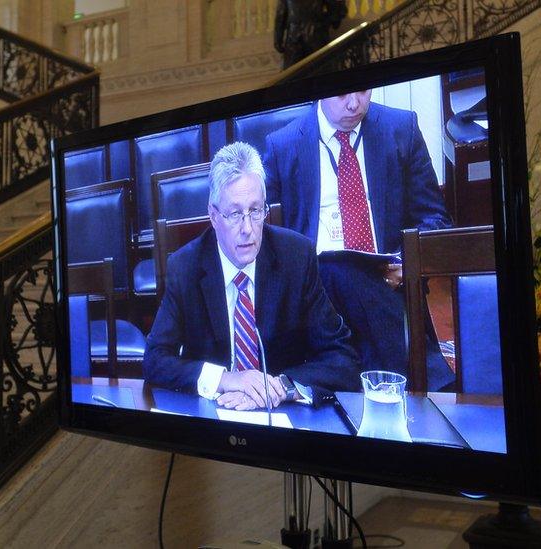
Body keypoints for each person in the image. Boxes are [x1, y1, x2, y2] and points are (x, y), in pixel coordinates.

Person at [143, 142, 359, 410]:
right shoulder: (185, 267)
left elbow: (342, 358)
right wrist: (226, 379)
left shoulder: (296, 257)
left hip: (283, 415)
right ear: (213, 215)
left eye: (255, 211)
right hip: (217, 410)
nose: (248, 229)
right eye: (234, 214)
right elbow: (155, 361)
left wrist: (281, 386)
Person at [263, 90, 455, 391]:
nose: (354, 104)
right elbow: (270, 242)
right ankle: (418, 381)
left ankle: (352, 384)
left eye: (363, 91)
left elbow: (436, 220)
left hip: (388, 283)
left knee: (350, 276)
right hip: (315, 293)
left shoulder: (400, 129)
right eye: (341, 94)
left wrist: (407, 263)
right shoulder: (283, 145)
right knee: (338, 267)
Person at [274, 0, 347, 69]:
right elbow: (334, 11)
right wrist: (331, 22)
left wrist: (278, 39)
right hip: (316, 34)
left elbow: (280, 15)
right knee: (318, 70)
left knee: (291, 74)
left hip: (294, 35)